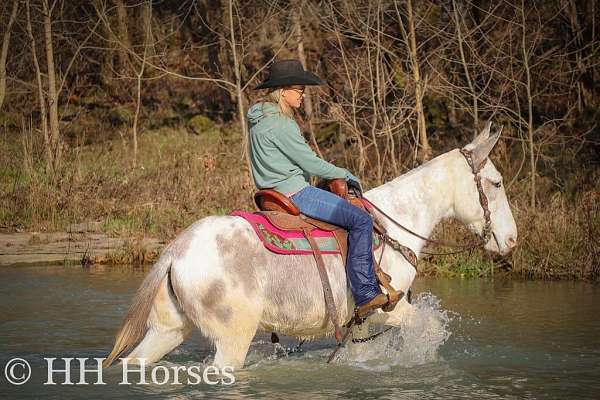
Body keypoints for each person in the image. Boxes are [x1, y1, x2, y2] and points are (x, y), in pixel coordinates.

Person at [247, 59, 390, 316]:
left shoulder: (258, 121)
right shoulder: (280, 123)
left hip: (271, 195)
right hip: (296, 193)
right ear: (283, 91)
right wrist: (346, 174)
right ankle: (366, 293)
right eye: (299, 89)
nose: (302, 94)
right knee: (360, 221)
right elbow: (310, 163)